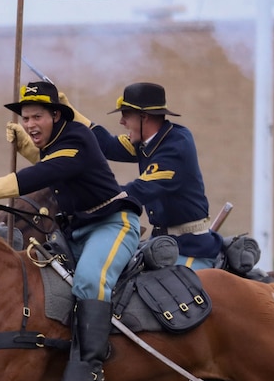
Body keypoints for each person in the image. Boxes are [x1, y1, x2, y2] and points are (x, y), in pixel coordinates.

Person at [0, 81, 142, 381]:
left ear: (57, 115)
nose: (30, 123)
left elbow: (42, 174)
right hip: (75, 232)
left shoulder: (77, 137)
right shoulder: (58, 143)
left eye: (37, 116)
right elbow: (52, 164)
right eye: (26, 118)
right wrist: (29, 147)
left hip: (112, 225)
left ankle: (90, 367)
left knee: (90, 281)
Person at [89, 83, 223, 269]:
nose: (122, 122)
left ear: (144, 117)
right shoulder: (151, 141)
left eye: (126, 115)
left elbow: (137, 190)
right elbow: (107, 145)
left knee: (178, 294)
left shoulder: (175, 145)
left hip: (191, 247)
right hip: (162, 243)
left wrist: (87, 196)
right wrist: (69, 118)